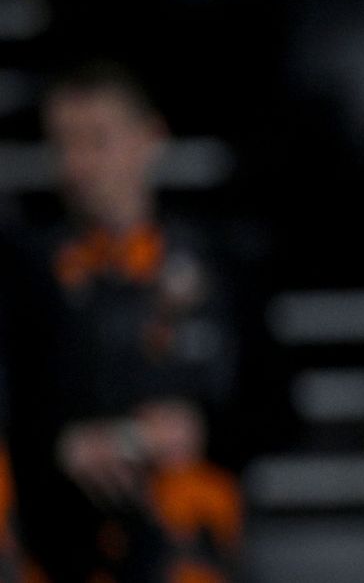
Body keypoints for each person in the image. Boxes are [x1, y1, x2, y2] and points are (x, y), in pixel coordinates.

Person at [0, 60, 242, 581]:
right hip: (60, 547)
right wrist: (62, 448)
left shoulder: (215, 262)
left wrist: (202, 428)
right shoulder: (24, 272)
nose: (77, 164)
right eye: (63, 144)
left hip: (190, 551)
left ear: (149, 139)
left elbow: (268, 401)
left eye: (97, 141)